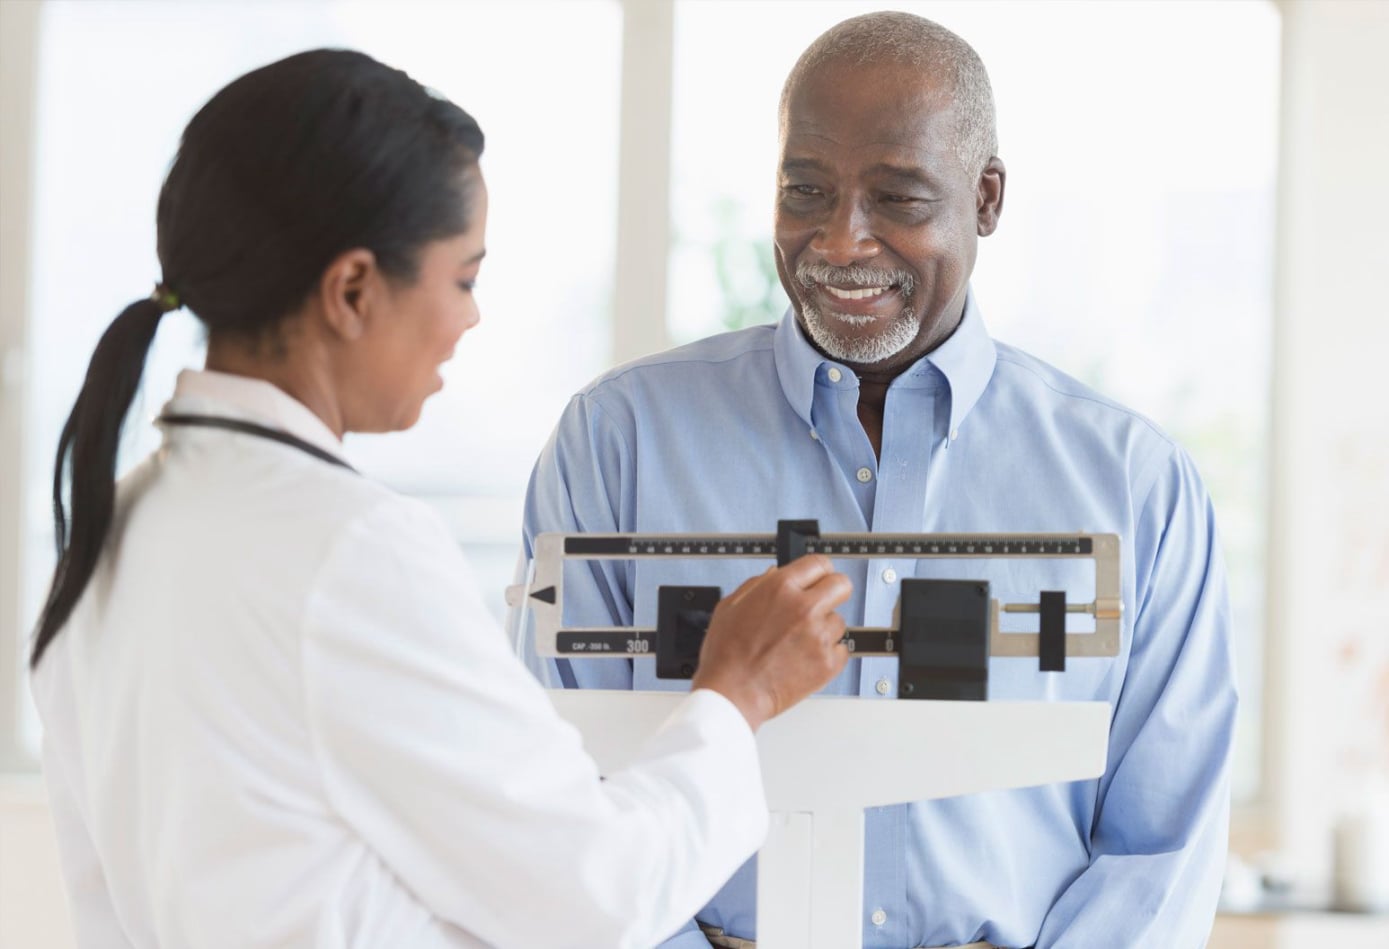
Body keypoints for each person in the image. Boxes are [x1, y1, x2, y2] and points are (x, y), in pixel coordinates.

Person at [28, 49, 855, 949]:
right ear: (350, 289)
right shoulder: (347, 551)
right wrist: (735, 694)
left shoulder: (106, 537)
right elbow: (594, 899)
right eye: (462, 277)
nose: (470, 317)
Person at [521, 11, 1238, 949]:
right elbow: (564, 787)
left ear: (984, 198)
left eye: (898, 199)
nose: (842, 240)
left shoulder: (1137, 487)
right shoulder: (616, 443)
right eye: (805, 189)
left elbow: (1162, 849)